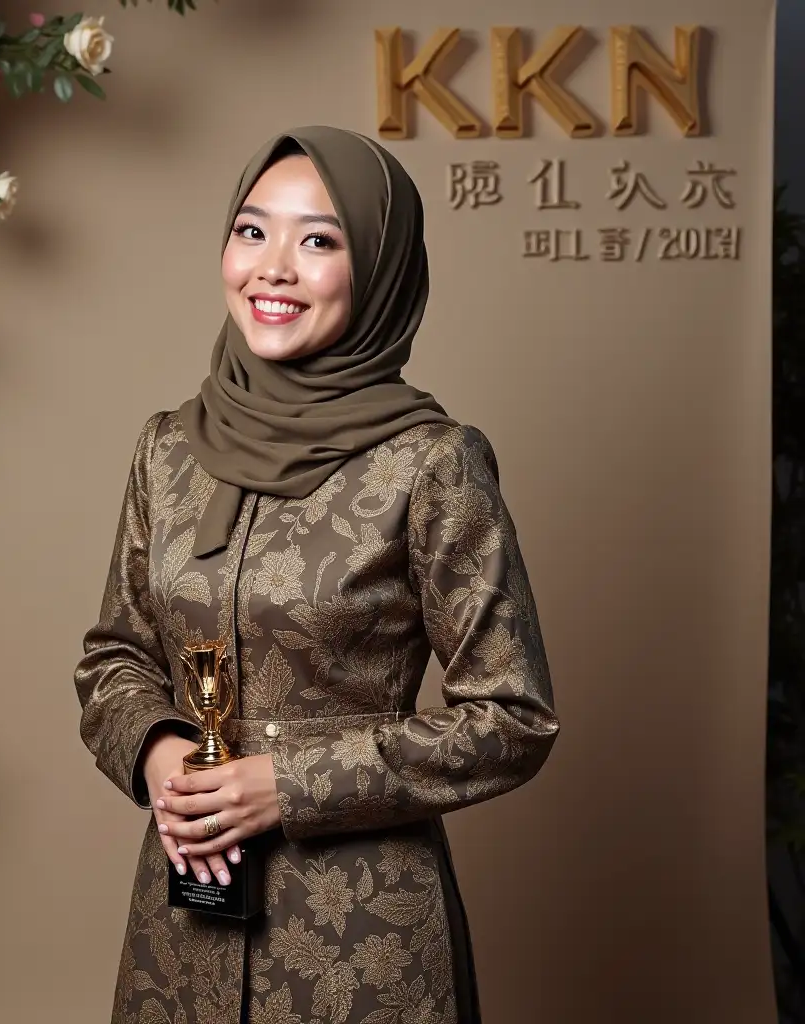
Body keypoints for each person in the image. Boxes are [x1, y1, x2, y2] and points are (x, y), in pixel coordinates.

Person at [73, 125, 560, 1024]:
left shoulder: (432, 464)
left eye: (320, 240)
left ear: (377, 271)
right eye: (253, 231)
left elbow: (513, 717)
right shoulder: (168, 450)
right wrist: (159, 752)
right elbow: (114, 657)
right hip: (186, 920)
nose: (274, 267)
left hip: (364, 937)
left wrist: (285, 782)